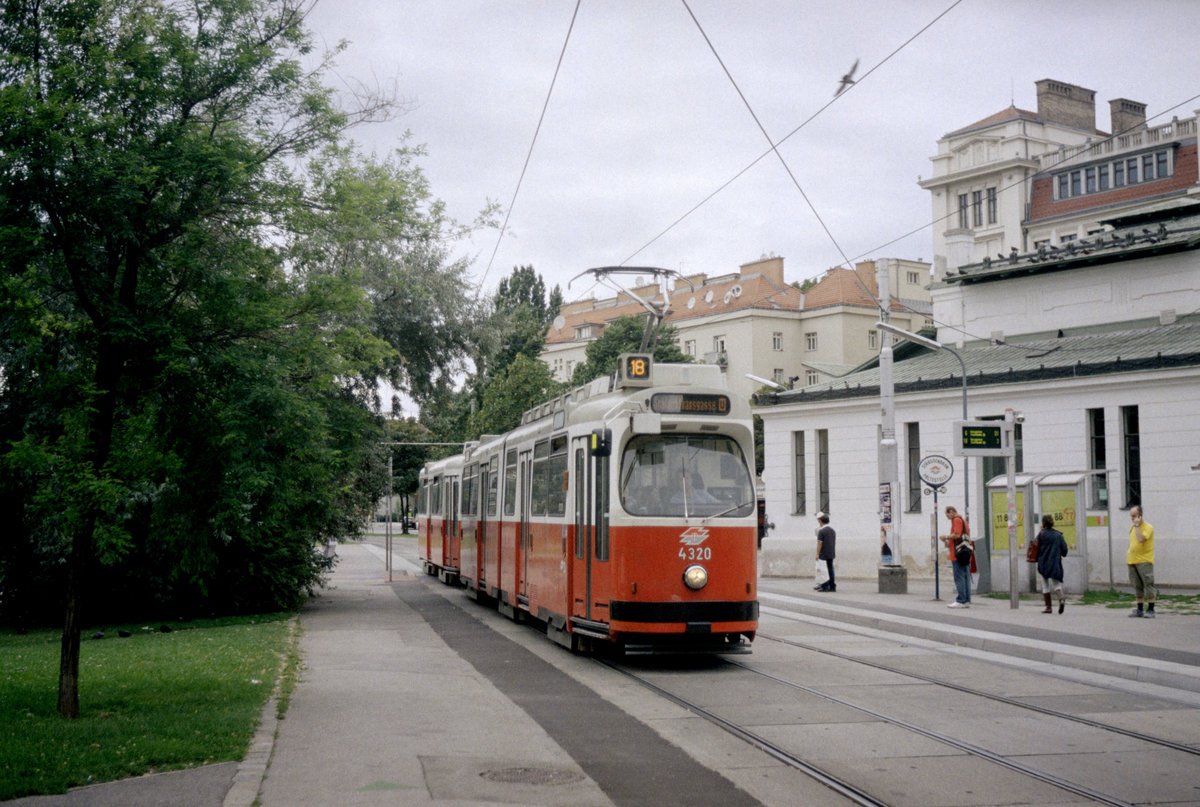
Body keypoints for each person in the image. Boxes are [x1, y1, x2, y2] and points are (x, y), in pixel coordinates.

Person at [940, 506, 973, 608]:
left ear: (953, 512)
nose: (947, 517)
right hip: (965, 552)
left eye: (947, 514)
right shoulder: (963, 520)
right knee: (966, 577)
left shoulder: (956, 520)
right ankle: (966, 600)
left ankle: (961, 600)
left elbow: (957, 535)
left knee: (959, 577)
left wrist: (945, 537)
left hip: (958, 554)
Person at [1035, 514, 1069, 614]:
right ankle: (1061, 599)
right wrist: (1060, 554)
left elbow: (1036, 546)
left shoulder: (1041, 534)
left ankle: (1048, 607)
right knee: (1056, 584)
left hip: (1043, 562)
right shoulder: (1058, 535)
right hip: (1055, 563)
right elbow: (1065, 550)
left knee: (1045, 585)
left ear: (1043, 523)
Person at [1127, 505, 1156, 618]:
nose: (1132, 518)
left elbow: (1140, 539)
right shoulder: (1133, 527)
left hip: (1144, 561)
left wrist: (1137, 525)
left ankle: (1151, 609)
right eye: (1131, 516)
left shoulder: (1148, 527)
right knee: (1137, 585)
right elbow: (1132, 541)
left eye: (1134, 516)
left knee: (1148, 584)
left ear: (1140, 515)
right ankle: (1139, 609)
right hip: (1132, 560)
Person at [814, 512, 836, 592]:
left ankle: (825, 586)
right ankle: (832, 586)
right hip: (831, 552)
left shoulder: (821, 531)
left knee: (823, 570)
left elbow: (820, 543)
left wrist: (817, 554)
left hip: (823, 554)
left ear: (821, 521)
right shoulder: (832, 530)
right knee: (830, 569)